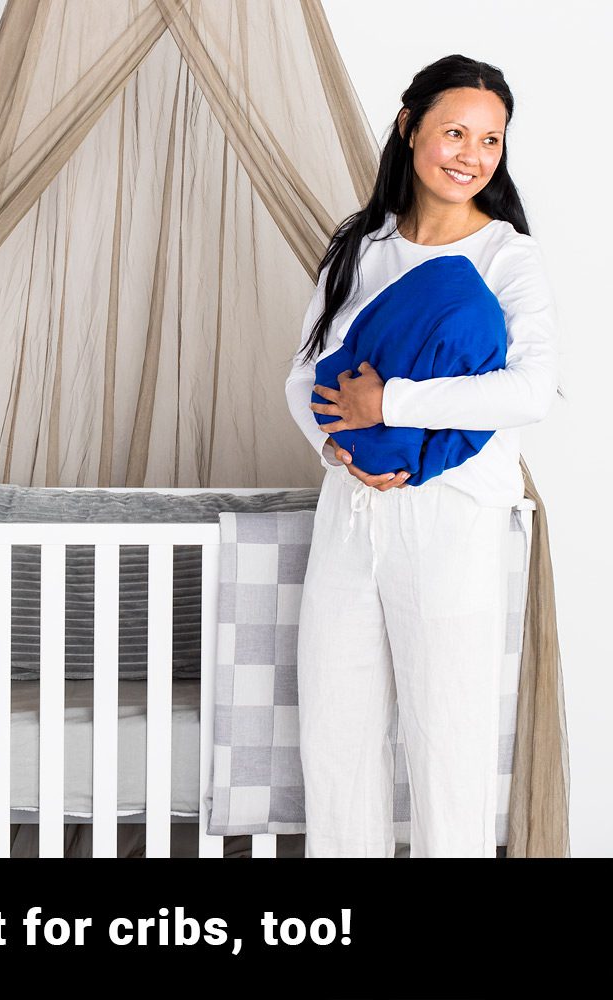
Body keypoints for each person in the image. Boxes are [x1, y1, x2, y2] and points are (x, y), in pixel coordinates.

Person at [284, 54, 560, 858]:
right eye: (454, 131)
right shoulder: (360, 247)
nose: (471, 154)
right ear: (409, 129)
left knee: (448, 744)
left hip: (452, 519)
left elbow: (529, 391)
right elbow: (304, 374)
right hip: (350, 515)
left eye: (490, 140)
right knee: (335, 742)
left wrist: (390, 403)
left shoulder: (507, 256)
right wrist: (339, 445)